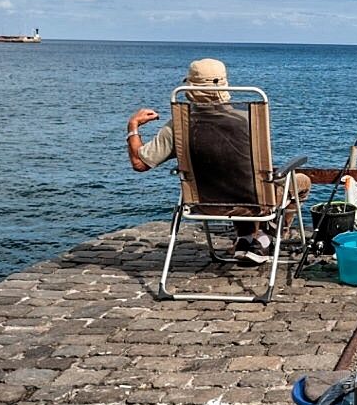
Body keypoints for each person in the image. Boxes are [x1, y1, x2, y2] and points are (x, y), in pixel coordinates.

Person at [127, 58, 310, 263]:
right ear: (224, 85)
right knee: (301, 180)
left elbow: (140, 163)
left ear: (190, 87)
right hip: (253, 202)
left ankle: (246, 238)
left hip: (203, 204)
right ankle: (267, 238)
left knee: (232, 183)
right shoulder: (247, 121)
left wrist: (133, 126)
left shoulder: (178, 127)